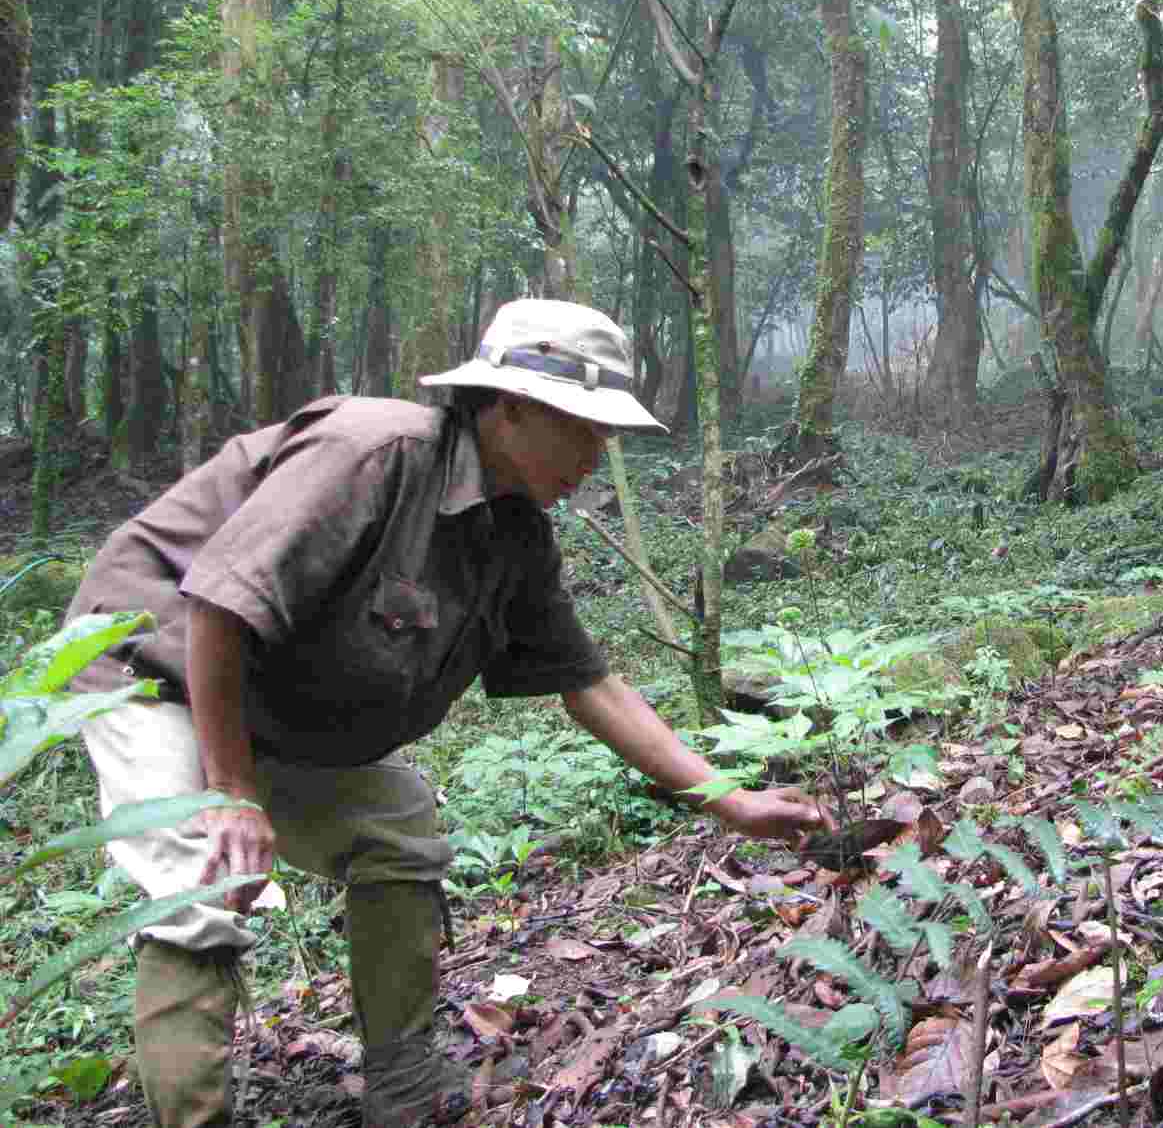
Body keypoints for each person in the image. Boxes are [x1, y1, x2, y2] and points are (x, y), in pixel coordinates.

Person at [68, 300, 831, 1128]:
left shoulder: (518, 539)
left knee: (398, 824)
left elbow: (591, 687)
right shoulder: (372, 453)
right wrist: (233, 793)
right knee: (205, 879)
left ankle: (400, 1087)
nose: (595, 453)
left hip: (271, 695)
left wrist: (732, 800)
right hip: (152, 661)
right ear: (510, 408)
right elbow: (218, 608)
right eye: (582, 427)